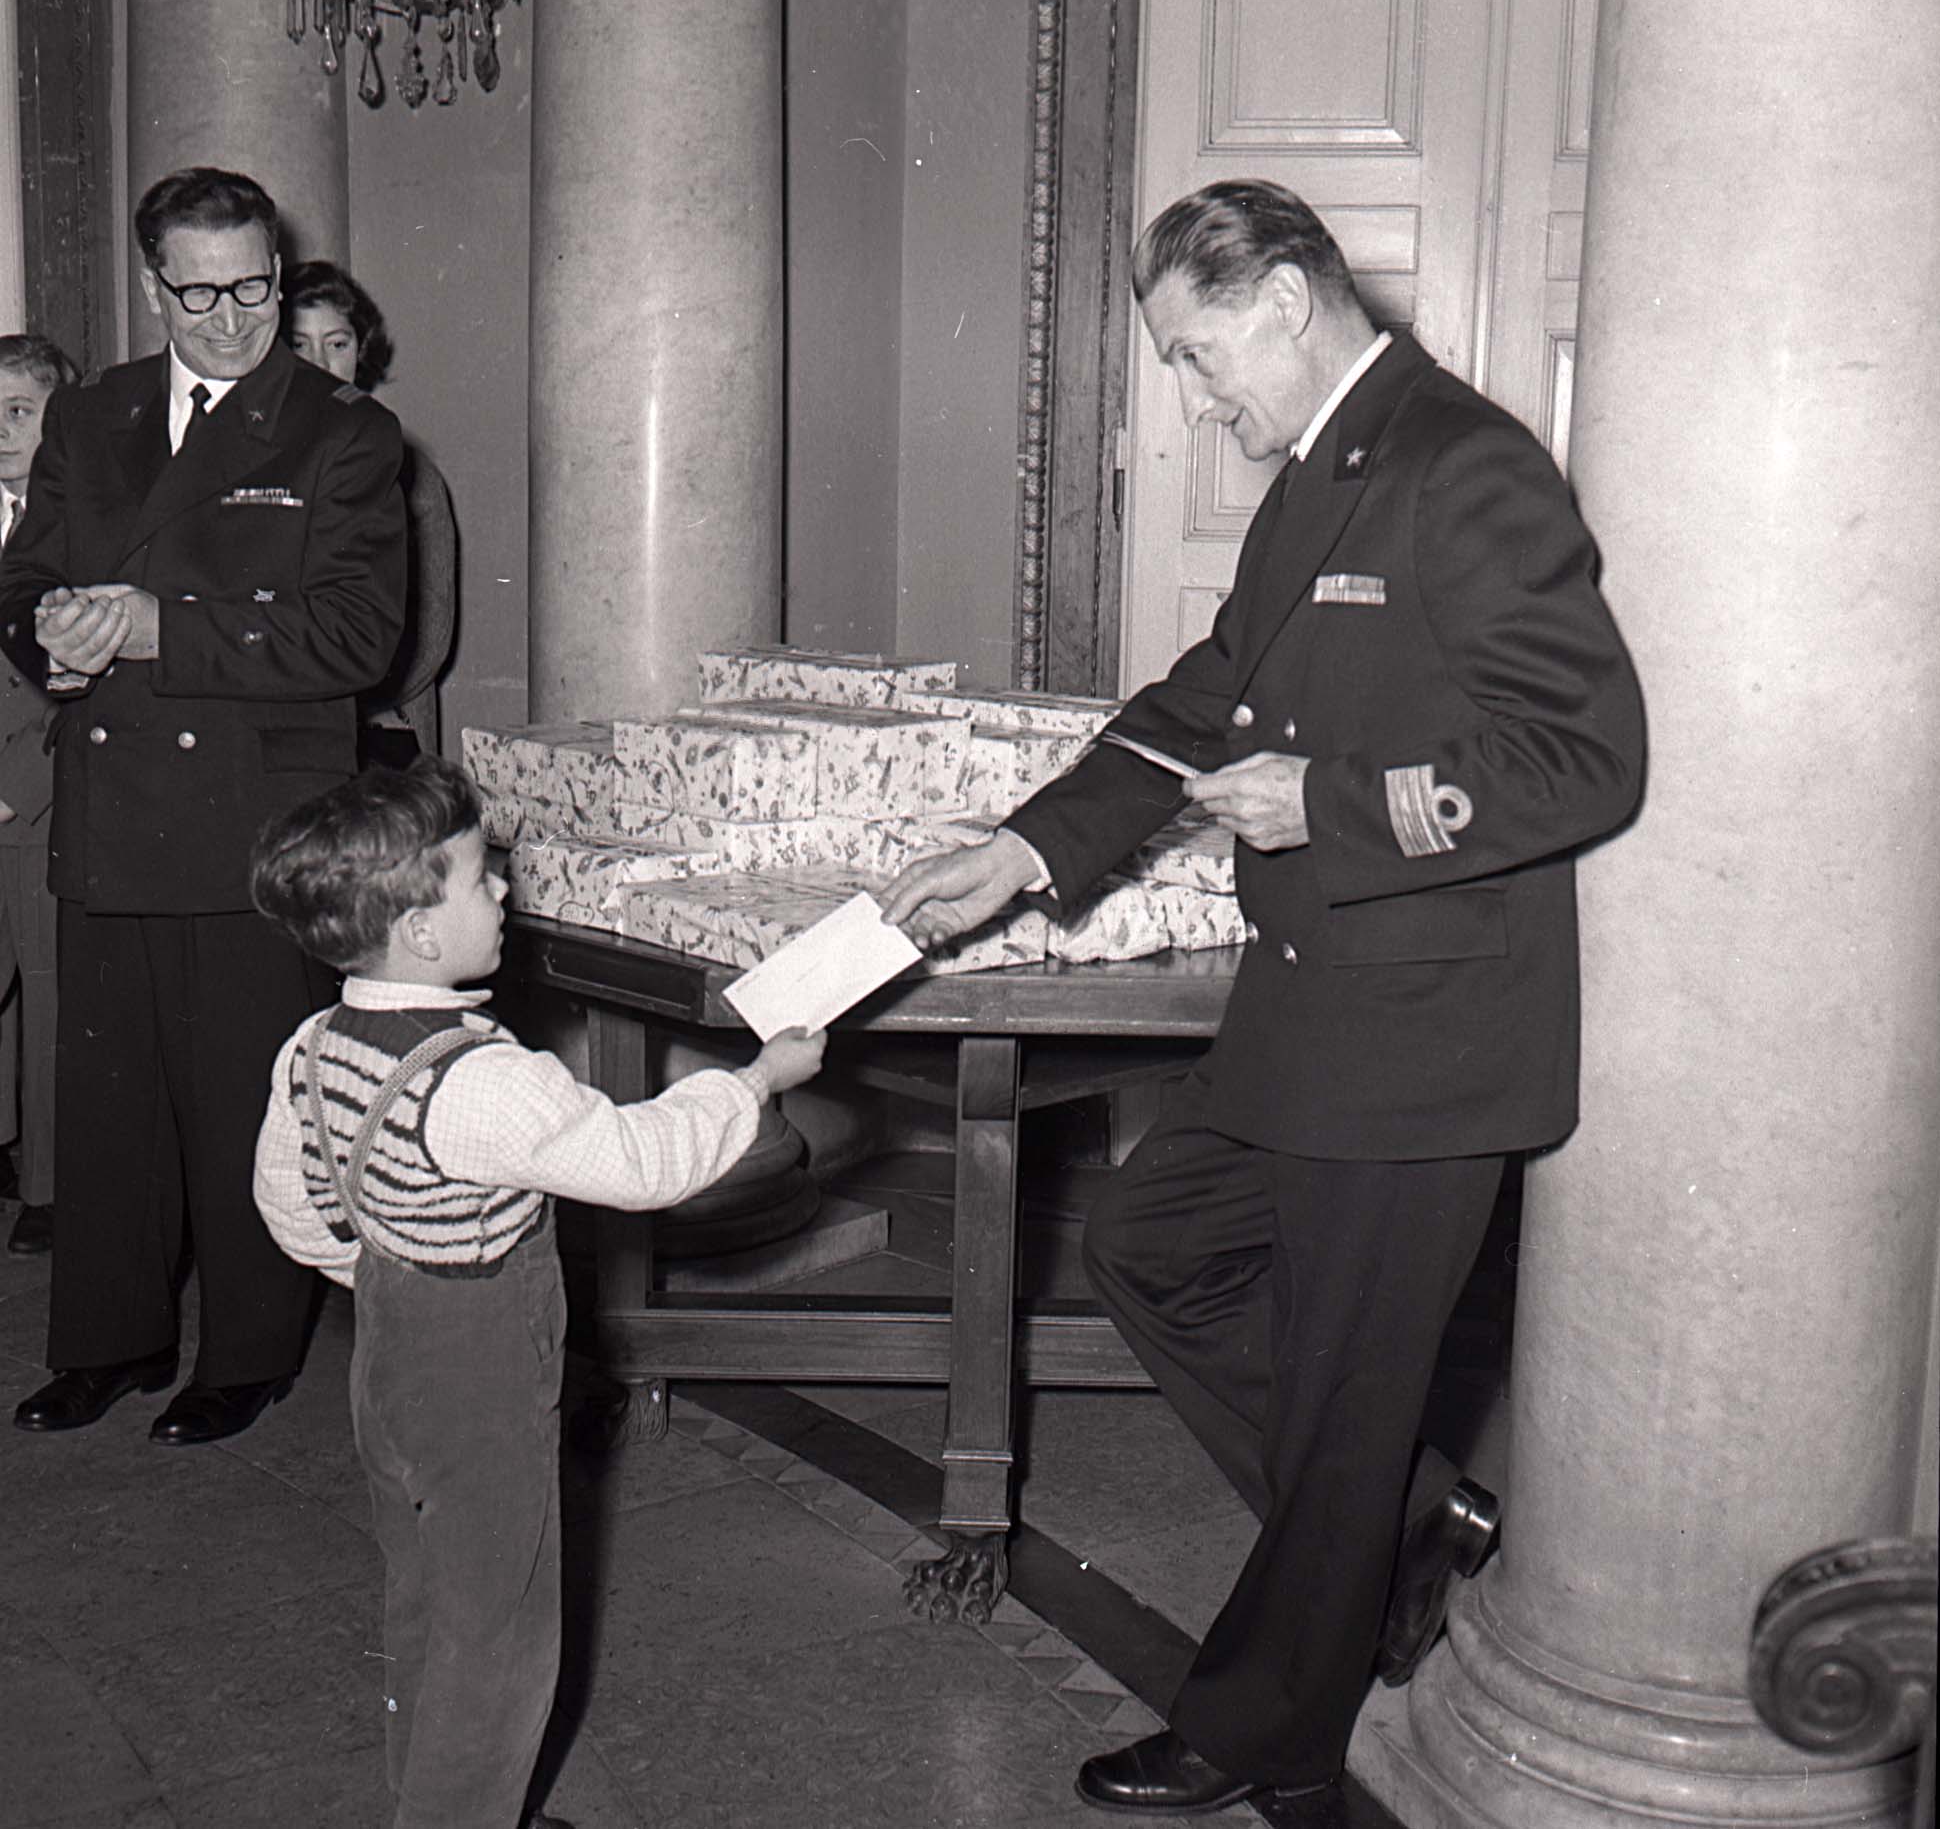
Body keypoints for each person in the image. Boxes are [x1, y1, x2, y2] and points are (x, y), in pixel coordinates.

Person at [881, 179, 1645, 1814]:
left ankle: (1263, 1724)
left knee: (1342, 1398)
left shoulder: (1467, 465)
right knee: (1149, 1244)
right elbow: (1206, 698)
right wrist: (1020, 850)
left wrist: (1331, 802)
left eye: (1199, 353)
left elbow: (1588, 758)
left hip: (1425, 1028)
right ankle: (1409, 1519)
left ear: (1288, 300)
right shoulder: (1324, 472)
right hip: (1322, 1005)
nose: (1195, 395)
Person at [248, 754, 826, 1829]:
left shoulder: (313, 1046)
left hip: (385, 1350)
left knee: (425, 1597)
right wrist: (754, 1081)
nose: (505, 887)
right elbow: (645, 1161)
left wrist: (391, 1263)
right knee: (501, 1631)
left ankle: (426, 1802)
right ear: (421, 932)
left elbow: (287, 1200)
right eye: (481, 877)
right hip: (476, 1377)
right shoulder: (484, 1081)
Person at [0, 166, 407, 1443]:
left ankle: (247, 1353)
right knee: (108, 1102)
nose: (232, 319)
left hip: (250, 815)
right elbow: (24, 577)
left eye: (253, 289)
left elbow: (358, 635)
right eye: (200, 294)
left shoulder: (340, 431)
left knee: (241, 1097)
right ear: (152, 286)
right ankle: (106, 1343)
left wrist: (154, 630)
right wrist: (49, 643)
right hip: (110, 806)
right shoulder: (93, 415)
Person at [283, 259, 457, 762]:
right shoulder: (251, 463)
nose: (319, 363)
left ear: (361, 351)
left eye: (336, 344)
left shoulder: (410, 471)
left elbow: (429, 634)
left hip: (386, 728)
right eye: (299, 345)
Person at [0, 334, 78, 1257]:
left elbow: (71, 687)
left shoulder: (77, 523)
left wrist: (16, 790)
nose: (1, 431)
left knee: (50, 985)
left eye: (19, 411)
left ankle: (51, 1185)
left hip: (41, 794)